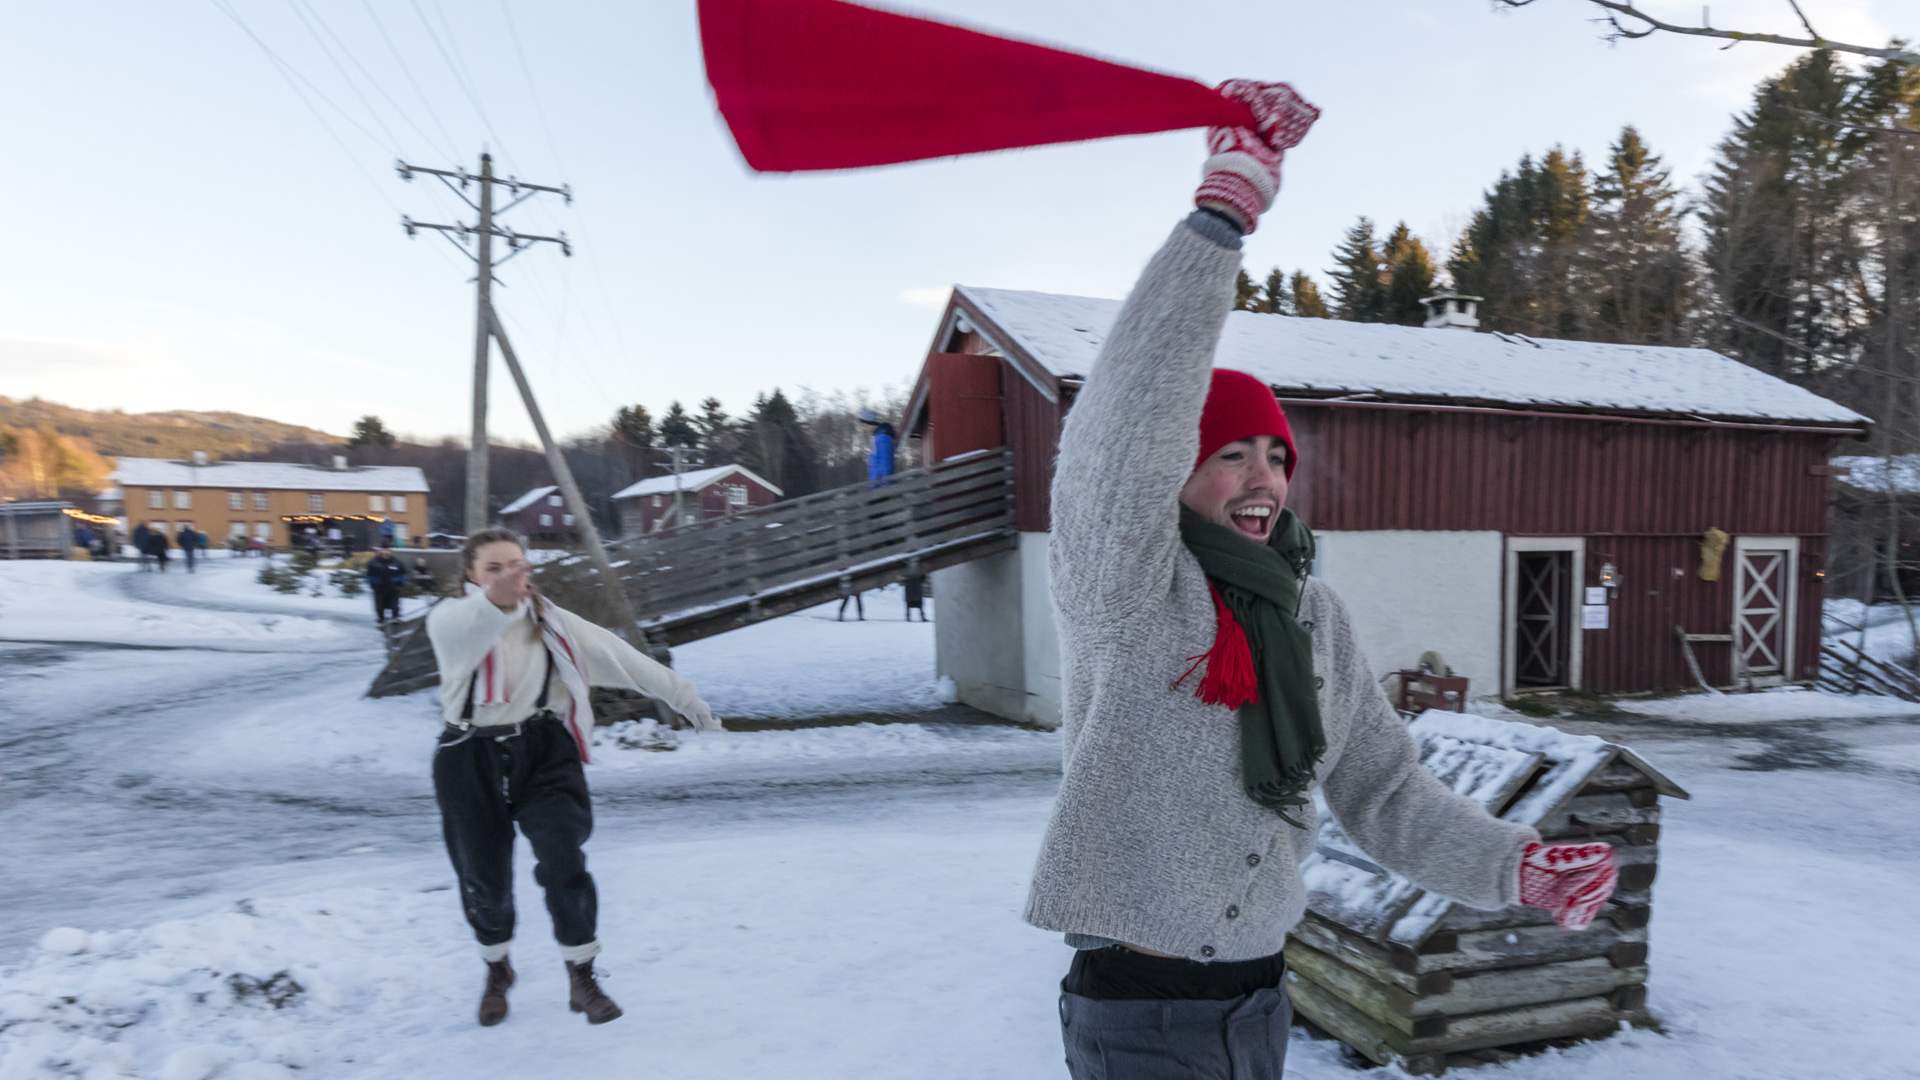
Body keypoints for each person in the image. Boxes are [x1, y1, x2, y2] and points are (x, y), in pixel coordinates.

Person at [1024, 80, 1618, 1079]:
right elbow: (1123, 422)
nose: (1265, 478)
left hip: (1260, 1002)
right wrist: (1224, 212)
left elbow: (1384, 791)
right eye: (1231, 455)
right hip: (1141, 1014)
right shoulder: (1128, 586)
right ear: (1175, 469)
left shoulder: (1310, 616)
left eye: (1277, 456)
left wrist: (1513, 862)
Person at [426, 527, 723, 1028]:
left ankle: (581, 975)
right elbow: (474, 626)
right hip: (468, 754)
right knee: (484, 877)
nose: (506, 576)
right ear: (470, 576)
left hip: (543, 750)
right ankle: (497, 968)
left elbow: (622, 658)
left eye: (514, 564)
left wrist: (686, 700)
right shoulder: (452, 620)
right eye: (492, 568)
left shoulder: (553, 623)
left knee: (565, 858)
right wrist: (497, 604)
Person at [365, 546, 407, 624]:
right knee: (379, 605)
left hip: (393, 588)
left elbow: (403, 574)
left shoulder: (397, 562)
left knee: (395, 604)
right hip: (379, 588)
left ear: (390, 551)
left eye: (388, 550)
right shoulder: (373, 563)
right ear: (380, 551)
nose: (386, 552)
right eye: (384, 550)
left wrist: (399, 583)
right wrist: (374, 584)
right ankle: (381, 618)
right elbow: (369, 575)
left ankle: (395, 617)